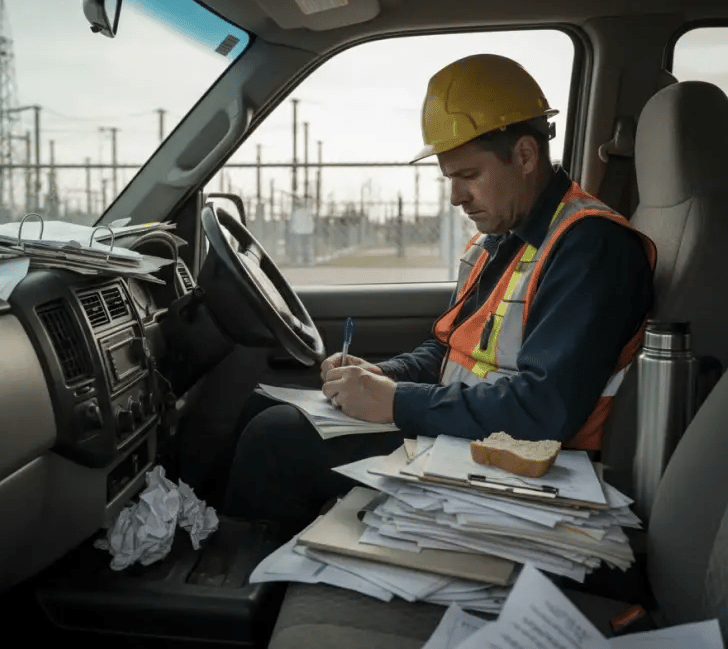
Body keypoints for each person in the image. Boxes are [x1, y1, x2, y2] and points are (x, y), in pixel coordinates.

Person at [221, 54, 656, 537]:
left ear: (527, 156)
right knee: (257, 407)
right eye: (449, 178)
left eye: (468, 176)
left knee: (274, 438)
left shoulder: (589, 246)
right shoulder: (502, 238)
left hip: (526, 464)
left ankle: (234, 591)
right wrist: (384, 374)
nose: (455, 197)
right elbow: (451, 348)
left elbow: (543, 410)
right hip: (469, 433)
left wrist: (396, 402)